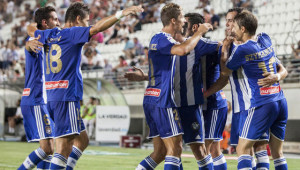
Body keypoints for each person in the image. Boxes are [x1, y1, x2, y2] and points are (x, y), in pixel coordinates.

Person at [27, 2, 143, 169]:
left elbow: (32, 28)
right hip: (66, 97)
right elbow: (96, 29)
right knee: (63, 148)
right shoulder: (72, 33)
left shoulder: (50, 34)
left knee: (82, 140)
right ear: (77, 19)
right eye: (86, 21)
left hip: (53, 96)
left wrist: (31, 38)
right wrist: (122, 14)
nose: (87, 24)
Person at [126, 3, 213, 169]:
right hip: (162, 99)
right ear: (173, 21)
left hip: (152, 97)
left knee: (160, 152)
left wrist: (144, 76)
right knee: (175, 148)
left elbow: (161, 71)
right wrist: (200, 33)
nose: (183, 22)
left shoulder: (160, 39)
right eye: (181, 18)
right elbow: (183, 50)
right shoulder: (162, 38)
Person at [203, 7, 288, 170]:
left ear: (242, 26)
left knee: (249, 149)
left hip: (256, 104)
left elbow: (225, 72)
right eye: (227, 21)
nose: (229, 25)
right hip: (264, 101)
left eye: (232, 21)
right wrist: (276, 77)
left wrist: (206, 92)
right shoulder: (264, 38)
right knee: (274, 152)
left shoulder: (239, 48)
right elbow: (278, 67)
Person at [18, 6, 59, 170]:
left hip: (42, 100)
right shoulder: (36, 42)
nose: (57, 22)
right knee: (48, 148)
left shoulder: (51, 41)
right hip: (36, 99)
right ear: (45, 22)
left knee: (49, 149)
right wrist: (30, 43)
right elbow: (30, 38)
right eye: (54, 19)